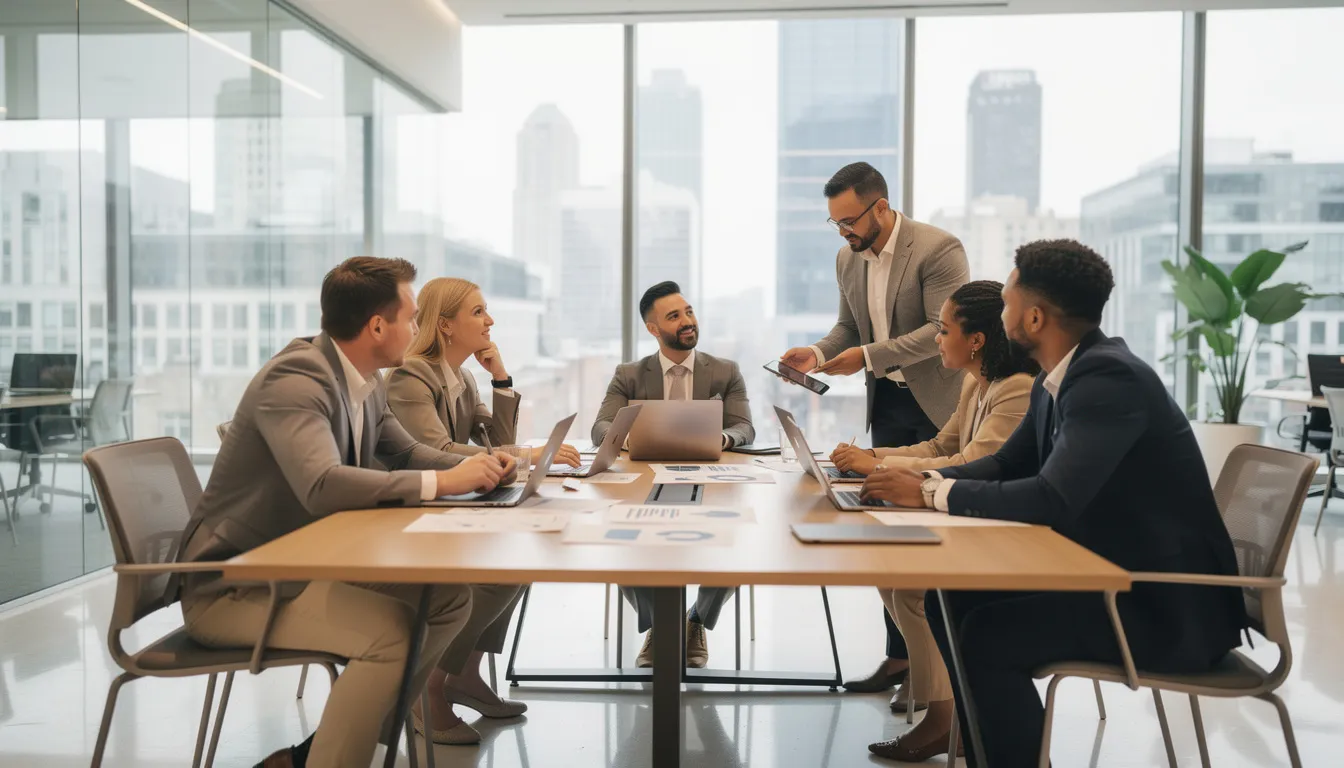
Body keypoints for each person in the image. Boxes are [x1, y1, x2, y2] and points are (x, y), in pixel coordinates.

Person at [858, 240, 1248, 768]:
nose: (1001, 314)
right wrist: (920, 479)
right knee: (950, 598)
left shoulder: (1109, 379)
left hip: (1166, 610)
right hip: (1118, 578)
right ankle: (983, 750)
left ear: (1035, 317)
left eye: (1008, 304)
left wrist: (929, 491)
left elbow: (1051, 497)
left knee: (990, 635)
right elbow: (1004, 465)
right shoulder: (1058, 374)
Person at [176, 257, 517, 768]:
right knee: (388, 636)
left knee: (446, 598)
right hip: (235, 586)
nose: (417, 328)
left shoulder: (367, 379)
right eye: (410, 317)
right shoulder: (296, 378)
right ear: (378, 326)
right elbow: (320, 484)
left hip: (303, 569)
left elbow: (405, 453)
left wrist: (481, 467)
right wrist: (446, 480)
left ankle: (314, 754)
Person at [779, 161, 970, 702]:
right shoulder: (849, 259)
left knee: (931, 534)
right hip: (886, 400)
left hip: (937, 403)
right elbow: (850, 327)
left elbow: (938, 331)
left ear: (881, 207)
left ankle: (943, 674)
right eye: (836, 224)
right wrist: (818, 353)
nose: (844, 233)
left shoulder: (938, 249)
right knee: (883, 532)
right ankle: (900, 658)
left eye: (850, 221)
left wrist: (866, 354)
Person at [829, 281, 1037, 762]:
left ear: (977, 339)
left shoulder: (1017, 389)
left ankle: (944, 718)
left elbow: (969, 462)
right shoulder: (976, 380)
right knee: (892, 577)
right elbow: (940, 447)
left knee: (914, 590)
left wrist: (878, 468)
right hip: (971, 518)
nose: (937, 340)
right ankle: (941, 706)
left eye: (944, 330)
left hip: (1000, 531)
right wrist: (871, 455)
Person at [385, 277, 579, 744]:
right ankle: (429, 685)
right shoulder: (413, 375)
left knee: (518, 559)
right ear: (446, 325)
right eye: (478, 312)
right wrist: (528, 456)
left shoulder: (461, 376)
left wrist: (501, 379)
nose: (489, 321)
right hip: (407, 516)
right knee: (498, 570)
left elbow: (490, 440)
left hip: (448, 506)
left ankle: (465, 676)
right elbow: (435, 450)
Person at [591, 280, 755, 668]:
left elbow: (745, 428)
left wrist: (721, 438)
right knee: (616, 538)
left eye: (689, 312)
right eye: (674, 316)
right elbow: (600, 427)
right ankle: (663, 626)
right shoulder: (629, 374)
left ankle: (695, 618)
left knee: (741, 542)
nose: (687, 321)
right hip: (646, 481)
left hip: (711, 479)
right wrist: (629, 439)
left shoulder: (725, 371)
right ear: (653, 329)